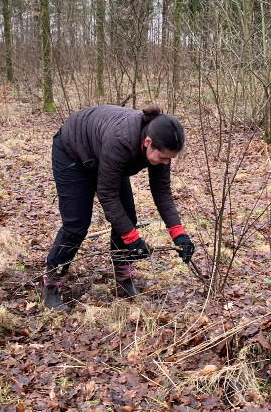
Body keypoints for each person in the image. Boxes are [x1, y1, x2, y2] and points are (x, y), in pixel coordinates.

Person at [43, 105, 197, 311]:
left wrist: (179, 235)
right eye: (163, 157)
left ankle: (123, 278)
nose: (166, 162)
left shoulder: (159, 147)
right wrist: (133, 240)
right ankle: (51, 284)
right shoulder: (122, 140)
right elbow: (107, 196)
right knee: (76, 225)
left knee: (128, 219)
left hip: (103, 154)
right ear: (148, 143)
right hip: (73, 152)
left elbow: (162, 192)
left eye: (170, 158)